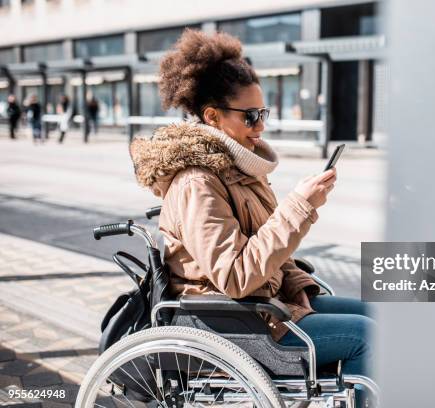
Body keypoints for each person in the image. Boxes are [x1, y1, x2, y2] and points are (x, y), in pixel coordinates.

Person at [128, 29, 375, 406]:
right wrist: (298, 207)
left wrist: (301, 288)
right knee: (367, 335)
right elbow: (235, 275)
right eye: (251, 116)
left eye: (264, 113)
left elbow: (271, 253)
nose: (261, 126)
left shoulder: (239, 170)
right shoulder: (198, 183)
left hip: (267, 308)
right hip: (235, 323)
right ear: (213, 116)